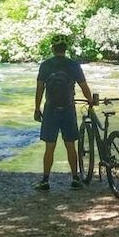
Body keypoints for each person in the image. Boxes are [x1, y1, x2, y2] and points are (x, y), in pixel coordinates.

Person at [33, 37, 94, 191]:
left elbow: (39, 89)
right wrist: (90, 100)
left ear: (53, 49)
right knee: (70, 146)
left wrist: (36, 108)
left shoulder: (46, 65)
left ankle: (45, 181)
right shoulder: (73, 65)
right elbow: (84, 86)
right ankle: (75, 179)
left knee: (49, 147)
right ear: (65, 49)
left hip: (50, 109)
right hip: (68, 109)